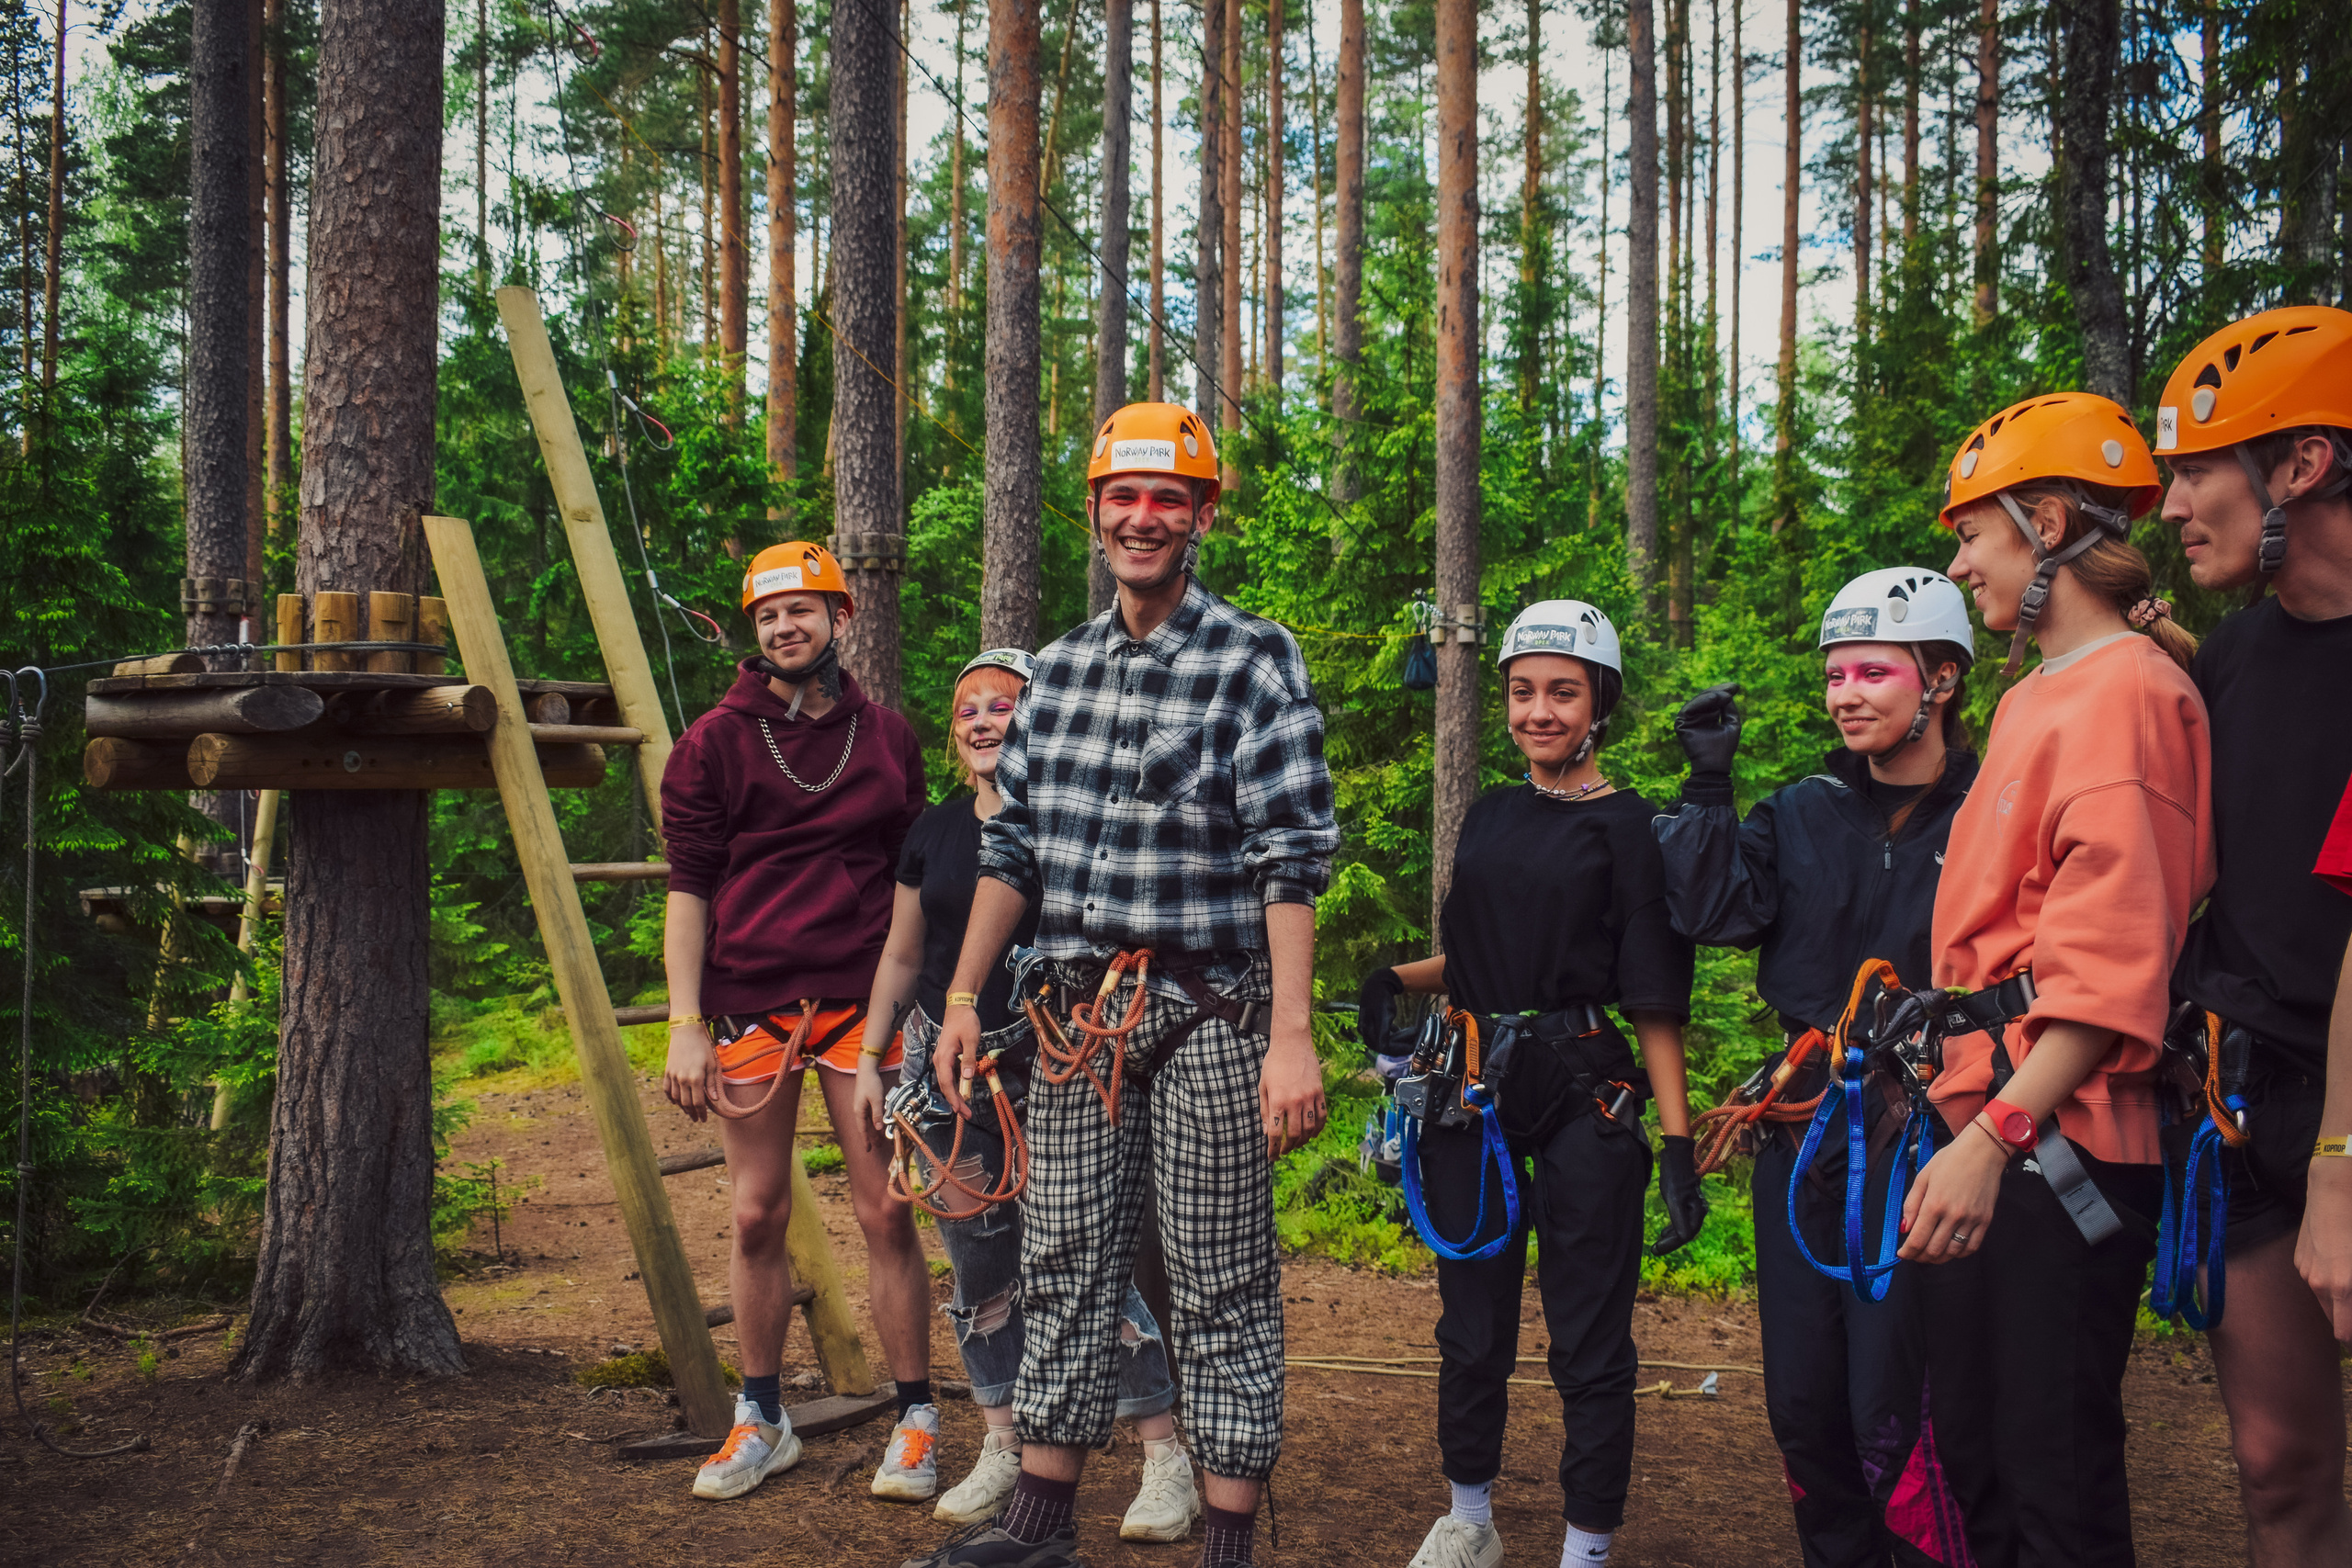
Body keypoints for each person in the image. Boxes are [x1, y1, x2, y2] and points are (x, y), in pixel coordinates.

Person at [901, 402, 1338, 1568]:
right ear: (1094, 513)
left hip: (1209, 1013)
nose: (1143, 518)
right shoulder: (1058, 671)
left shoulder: (1252, 658)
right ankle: (1041, 1521)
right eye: (1123, 498)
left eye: (1168, 499)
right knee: (1064, 1256)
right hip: (1076, 1019)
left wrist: (1291, 1035)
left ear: (1200, 515)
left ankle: (1230, 1537)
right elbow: (1014, 850)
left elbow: (1289, 855)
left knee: (1216, 1272)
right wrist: (958, 1000)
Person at [1902, 394, 2212, 1567]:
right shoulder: (2037, 692)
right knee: (1978, 1469)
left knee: (2051, 1481)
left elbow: (2113, 959)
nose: (1958, 560)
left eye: (1972, 534)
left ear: (2040, 525)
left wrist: (1996, 1137)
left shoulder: (2129, 692)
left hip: (2052, 1137)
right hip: (1993, 1119)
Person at [1355, 600, 1702, 1568]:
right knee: (1470, 1331)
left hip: (1586, 1099)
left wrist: (1675, 1147)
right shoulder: (1491, 815)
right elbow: (1473, 957)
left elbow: (1652, 998)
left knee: (1589, 1346)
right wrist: (1397, 980)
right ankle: (1469, 1516)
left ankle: (1583, 1548)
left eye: (1562, 692)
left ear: (1600, 705)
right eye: (1521, 693)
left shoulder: (1630, 827)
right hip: (1475, 1092)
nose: (1538, 711)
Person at [1655, 568, 1980, 1568]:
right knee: (1802, 1401)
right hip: (1807, 1131)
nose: (1845, 693)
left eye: (1872, 671)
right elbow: (1713, 914)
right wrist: (1708, 786)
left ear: (1941, 680)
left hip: (1927, 1130)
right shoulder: (1799, 809)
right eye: (1835, 674)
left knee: (1899, 1403)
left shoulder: (1987, 810)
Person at [854, 648, 1198, 1542]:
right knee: (978, 1269)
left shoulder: (1077, 825)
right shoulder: (930, 830)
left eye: (1002, 705)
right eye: (967, 707)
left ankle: (1165, 1454)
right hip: (945, 1070)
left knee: (1083, 1261)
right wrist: (870, 1057)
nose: (981, 720)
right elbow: (900, 953)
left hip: (1054, 1060)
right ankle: (1002, 1439)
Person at [658, 541, 937, 1503]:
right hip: (752, 1000)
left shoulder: (891, 739)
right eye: (769, 614)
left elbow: (915, 884)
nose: (785, 627)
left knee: (888, 1208)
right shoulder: (713, 744)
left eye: (803, 610)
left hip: (865, 1004)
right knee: (753, 1214)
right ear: (755, 629)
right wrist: (684, 1020)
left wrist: (923, 1005)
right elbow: (688, 890)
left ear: (839, 617)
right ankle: (762, 1417)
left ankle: (915, 1417)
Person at [2154, 304, 2352, 1565]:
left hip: (2343, 1110)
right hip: (2251, 1095)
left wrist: (2341, 1150)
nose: (2171, 503)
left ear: (2300, 464)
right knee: (2277, 1466)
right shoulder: (2231, 658)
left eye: (2196, 470)